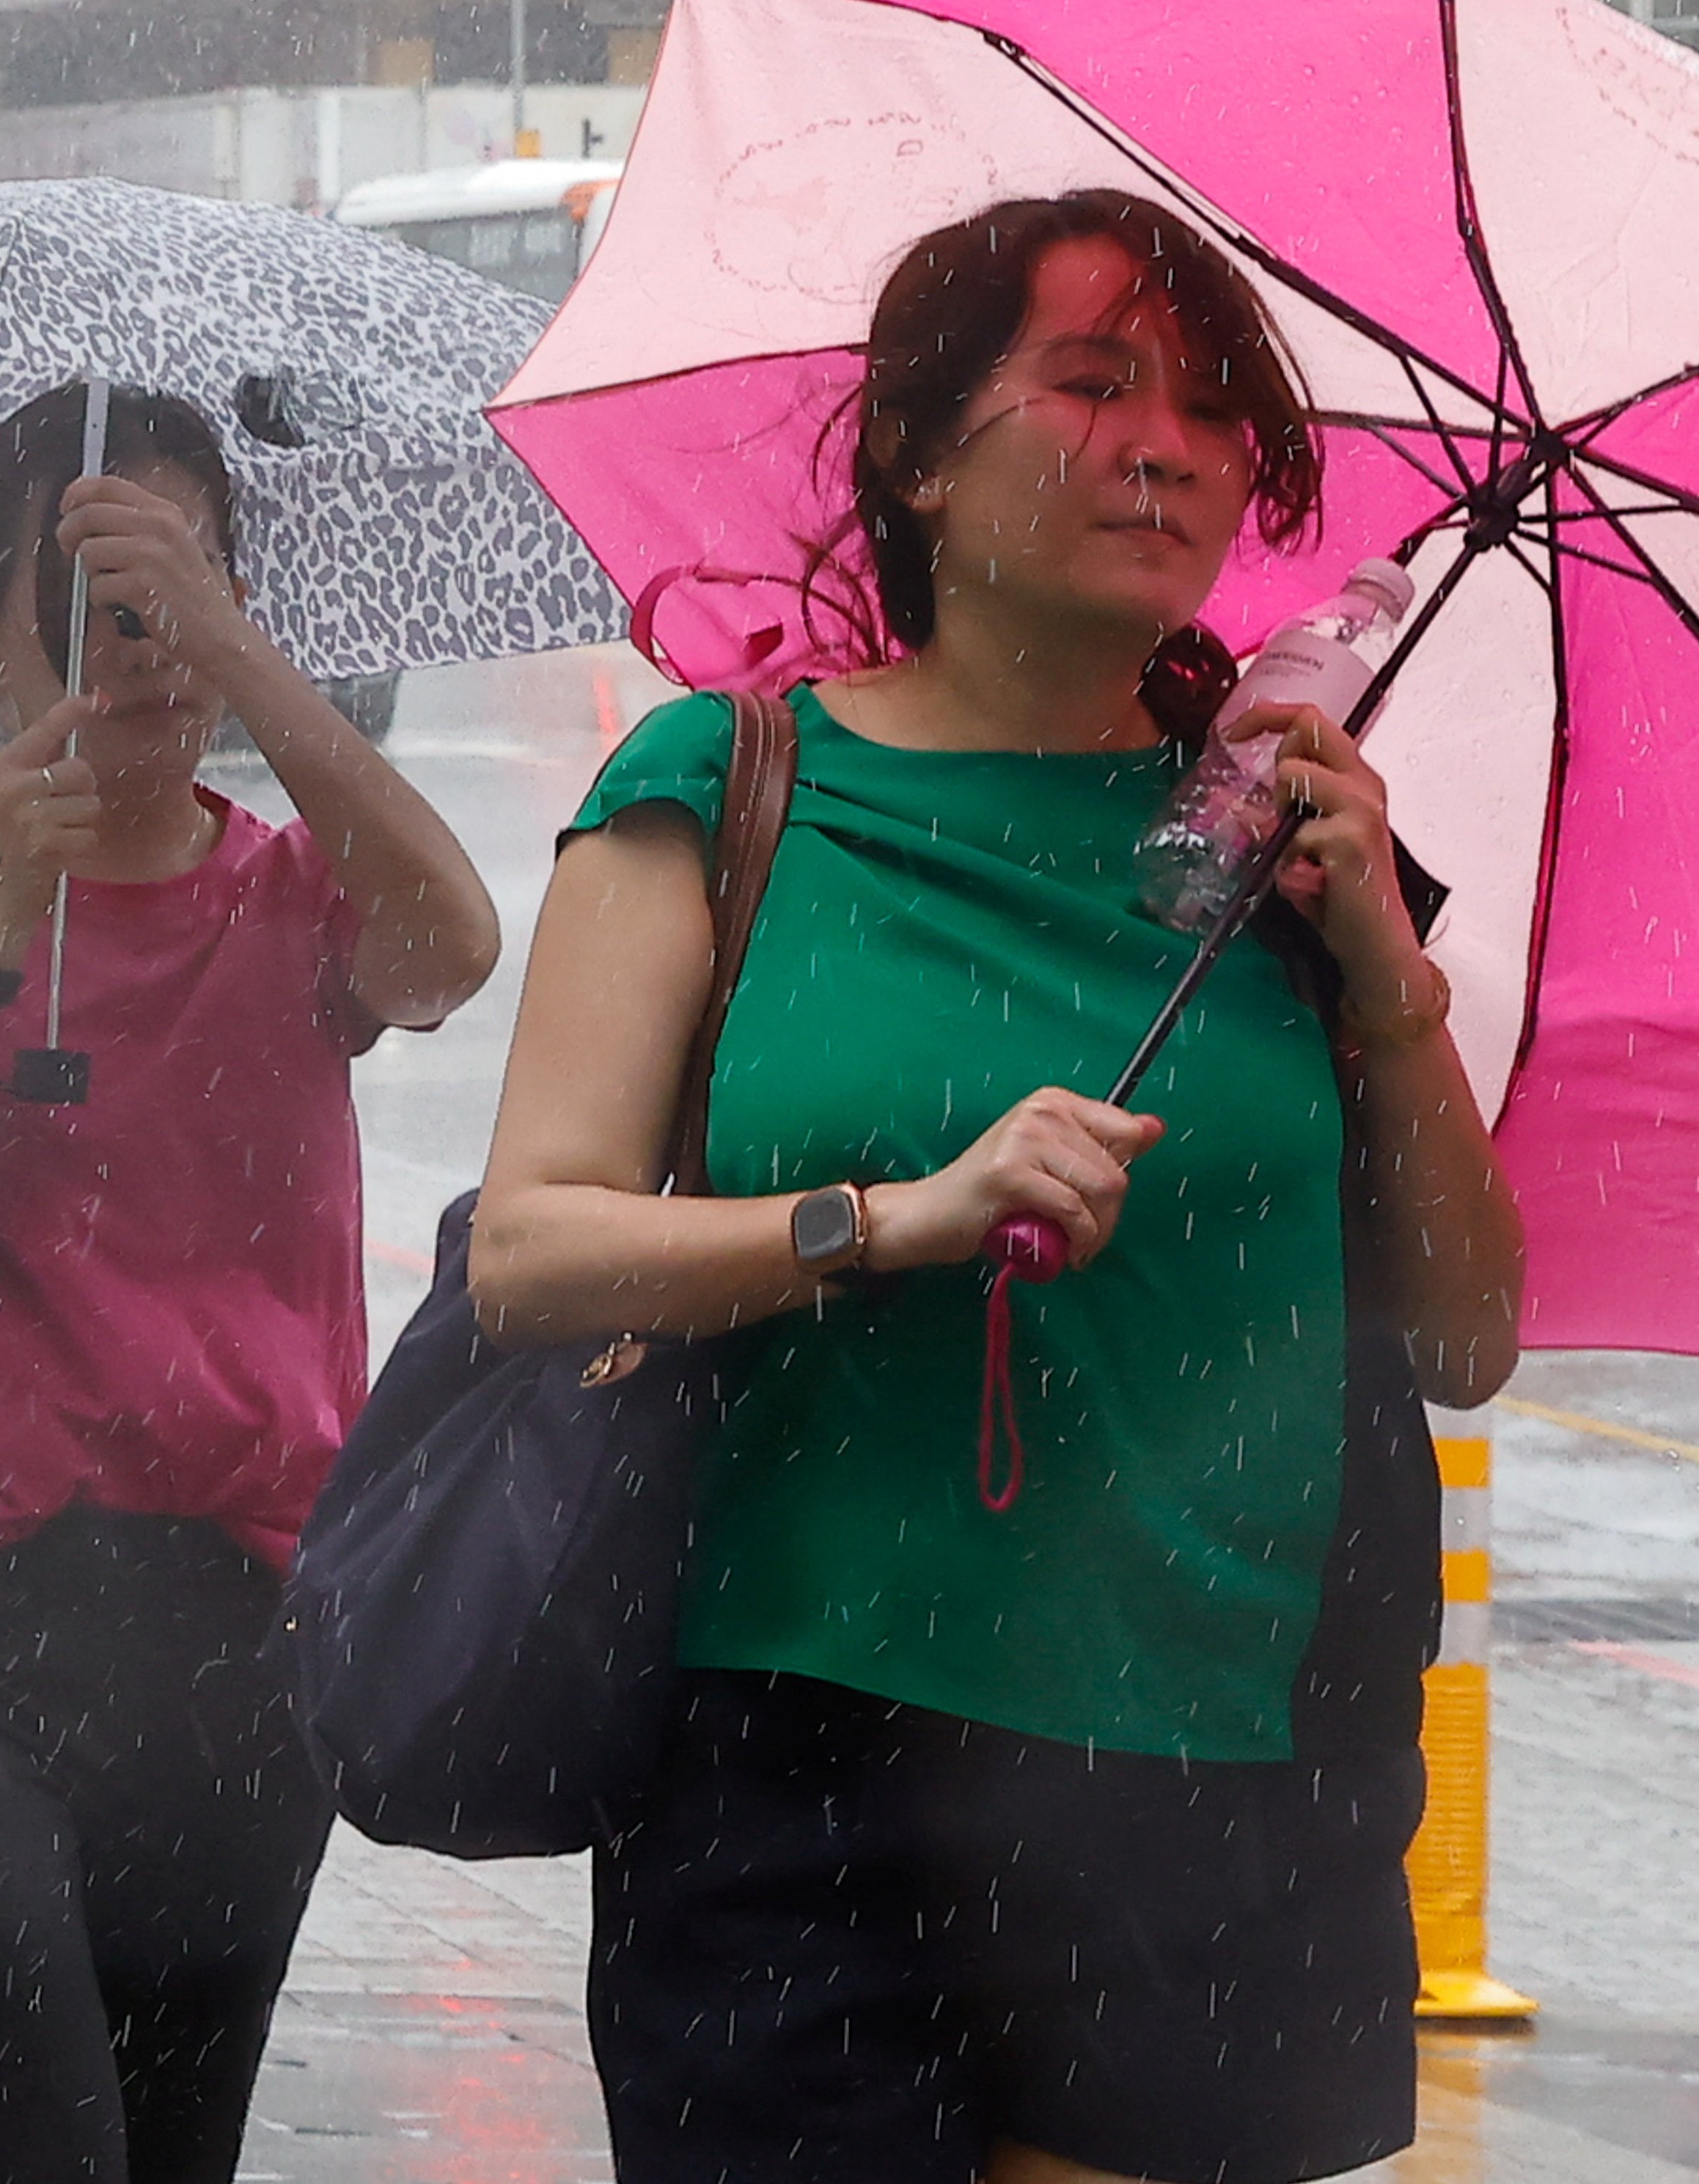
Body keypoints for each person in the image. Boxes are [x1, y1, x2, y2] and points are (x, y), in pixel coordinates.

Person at [470, 191, 1528, 2184]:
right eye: (1093, 382)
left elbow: (1468, 1333)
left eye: (1218, 407)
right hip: (797, 1755)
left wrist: (1389, 977)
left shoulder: (1299, 842)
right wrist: (897, 1217)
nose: (1169, 444)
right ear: (920, 451)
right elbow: (533, 1250)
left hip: (1221, 1767)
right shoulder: (730, 780)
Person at [0, 384, 499, 2184]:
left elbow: (453, 942)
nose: (143, 659)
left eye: (185, 598)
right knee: (33, 2150)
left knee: (171, 2149)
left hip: (239, 1629)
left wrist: (227, 638)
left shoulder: (298, 896)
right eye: (88, 612)